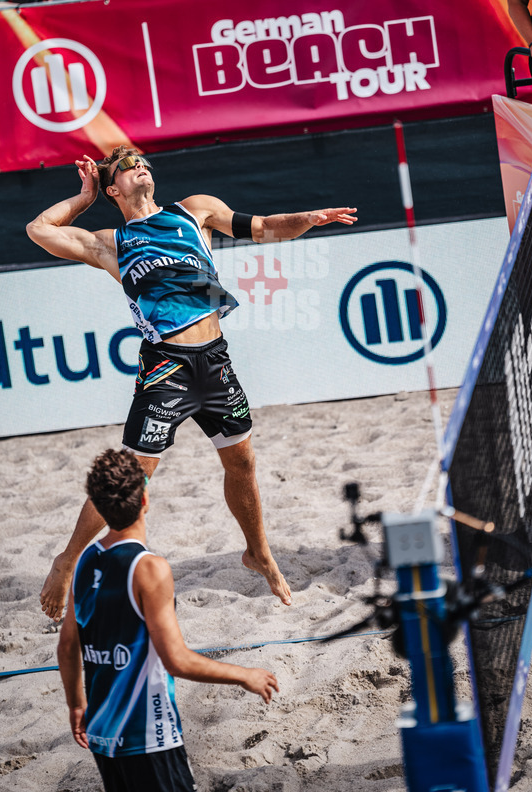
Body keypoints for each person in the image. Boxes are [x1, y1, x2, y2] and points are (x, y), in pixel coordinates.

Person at [27, 147, 357, 622]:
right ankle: (68, 559)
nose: (141, 165)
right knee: (130, 480)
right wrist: (85, 195)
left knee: (242, 461)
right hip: (165, 367)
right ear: (114, 187)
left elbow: (263, 227)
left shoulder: (194, 211)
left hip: (215, 361)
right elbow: (39, 230)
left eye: (143, 160)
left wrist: (307, 218)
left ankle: (258, 552)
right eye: (127, 165)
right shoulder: (112, 242)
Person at [58, 447, 279, 792]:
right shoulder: (149, 568)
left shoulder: (86, 560)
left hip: (101, 732)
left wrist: (76, 705)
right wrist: (244, 675)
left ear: (98, 507)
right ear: (145, 498)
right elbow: (175, 660)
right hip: (148, 736)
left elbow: (68, 646)